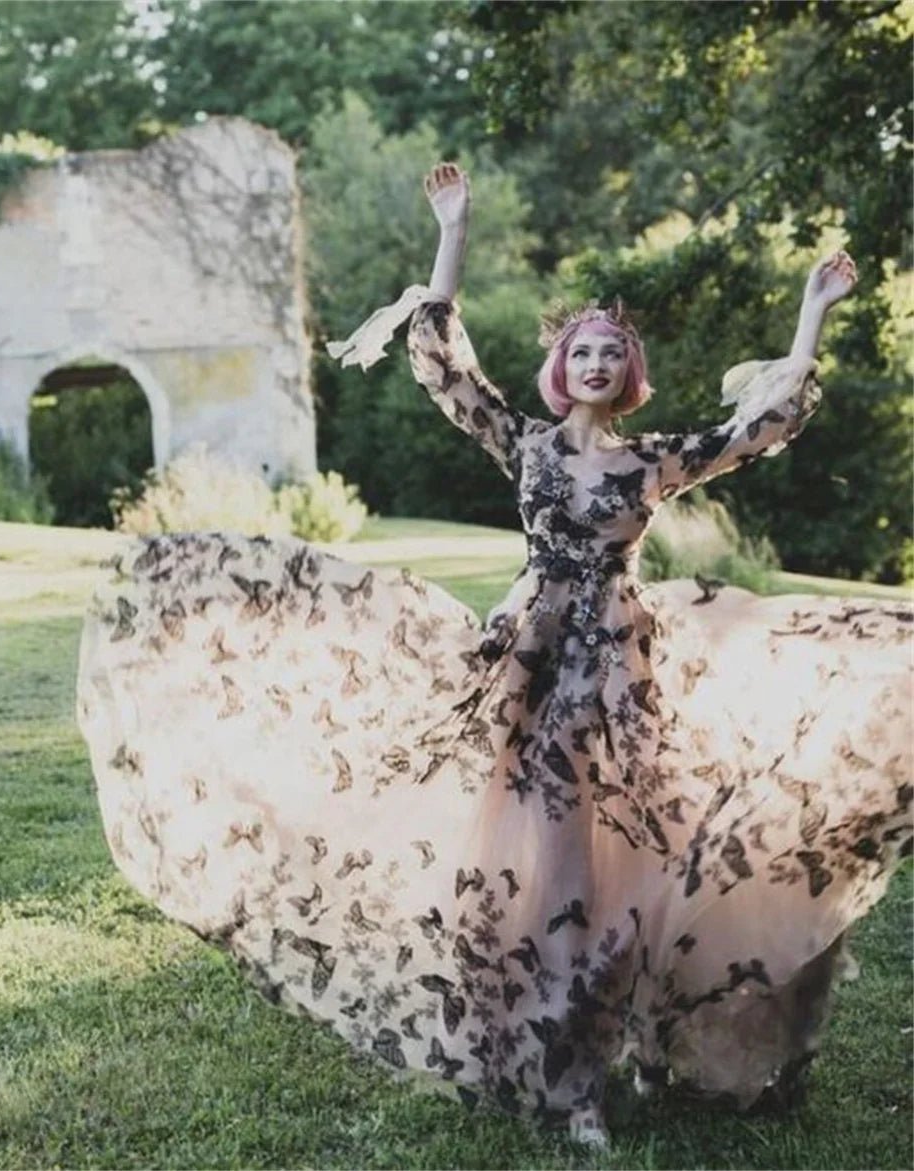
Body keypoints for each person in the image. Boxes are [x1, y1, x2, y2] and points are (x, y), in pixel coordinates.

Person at [77, 163, 912, 1147]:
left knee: (640, 877)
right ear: (562, 370)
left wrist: (812, 312)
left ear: (628, 374)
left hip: (625, 681)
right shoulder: (527, 447)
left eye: (612, 352)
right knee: (553, 883)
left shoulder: (651, 461)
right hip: (528, 674)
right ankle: (574, 1086)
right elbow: (443, 367)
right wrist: (454, 228)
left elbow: (756, 426)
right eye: (582, 350)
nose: (597, 362)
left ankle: (635, 1044)